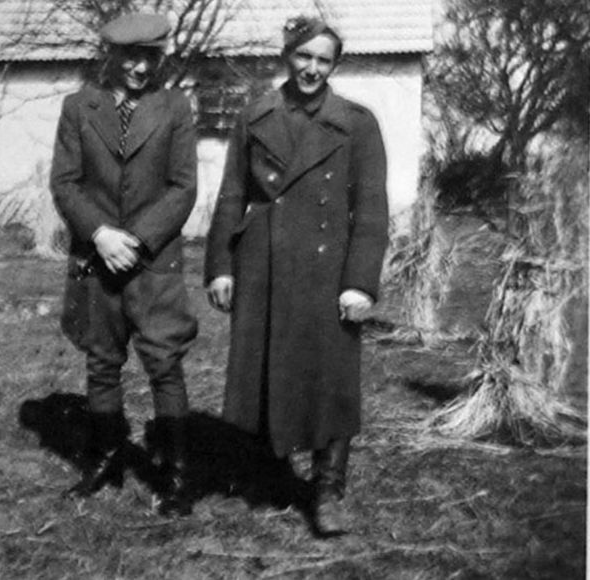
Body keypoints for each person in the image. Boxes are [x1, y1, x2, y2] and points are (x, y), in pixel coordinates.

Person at [204, 16, 389, 535]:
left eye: (323, 60)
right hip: (262, 261)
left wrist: (360, 282)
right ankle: (272, 471)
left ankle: (328, 489)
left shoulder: (356, 123)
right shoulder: (255, 115)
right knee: (268, 367)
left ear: (335, 65)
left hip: (328, 270)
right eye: (304, 56)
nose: (312, 69)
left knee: (332, 377)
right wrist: (220, 266)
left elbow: (371, 211)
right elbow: (232, 195)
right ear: (287, 56)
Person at [50, 12, 198, 516]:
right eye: (130, 57)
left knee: (164, 363)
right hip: (96, 260)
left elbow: (183, 187)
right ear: (110, 55)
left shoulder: (175, 107)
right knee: (101, 360)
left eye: (150, 57)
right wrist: (100, 234)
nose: (140, 68)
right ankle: (105, 457)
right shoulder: (78, 107)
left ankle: (176, 474)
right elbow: (65, 182)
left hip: (152, 261)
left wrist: (135, 240)